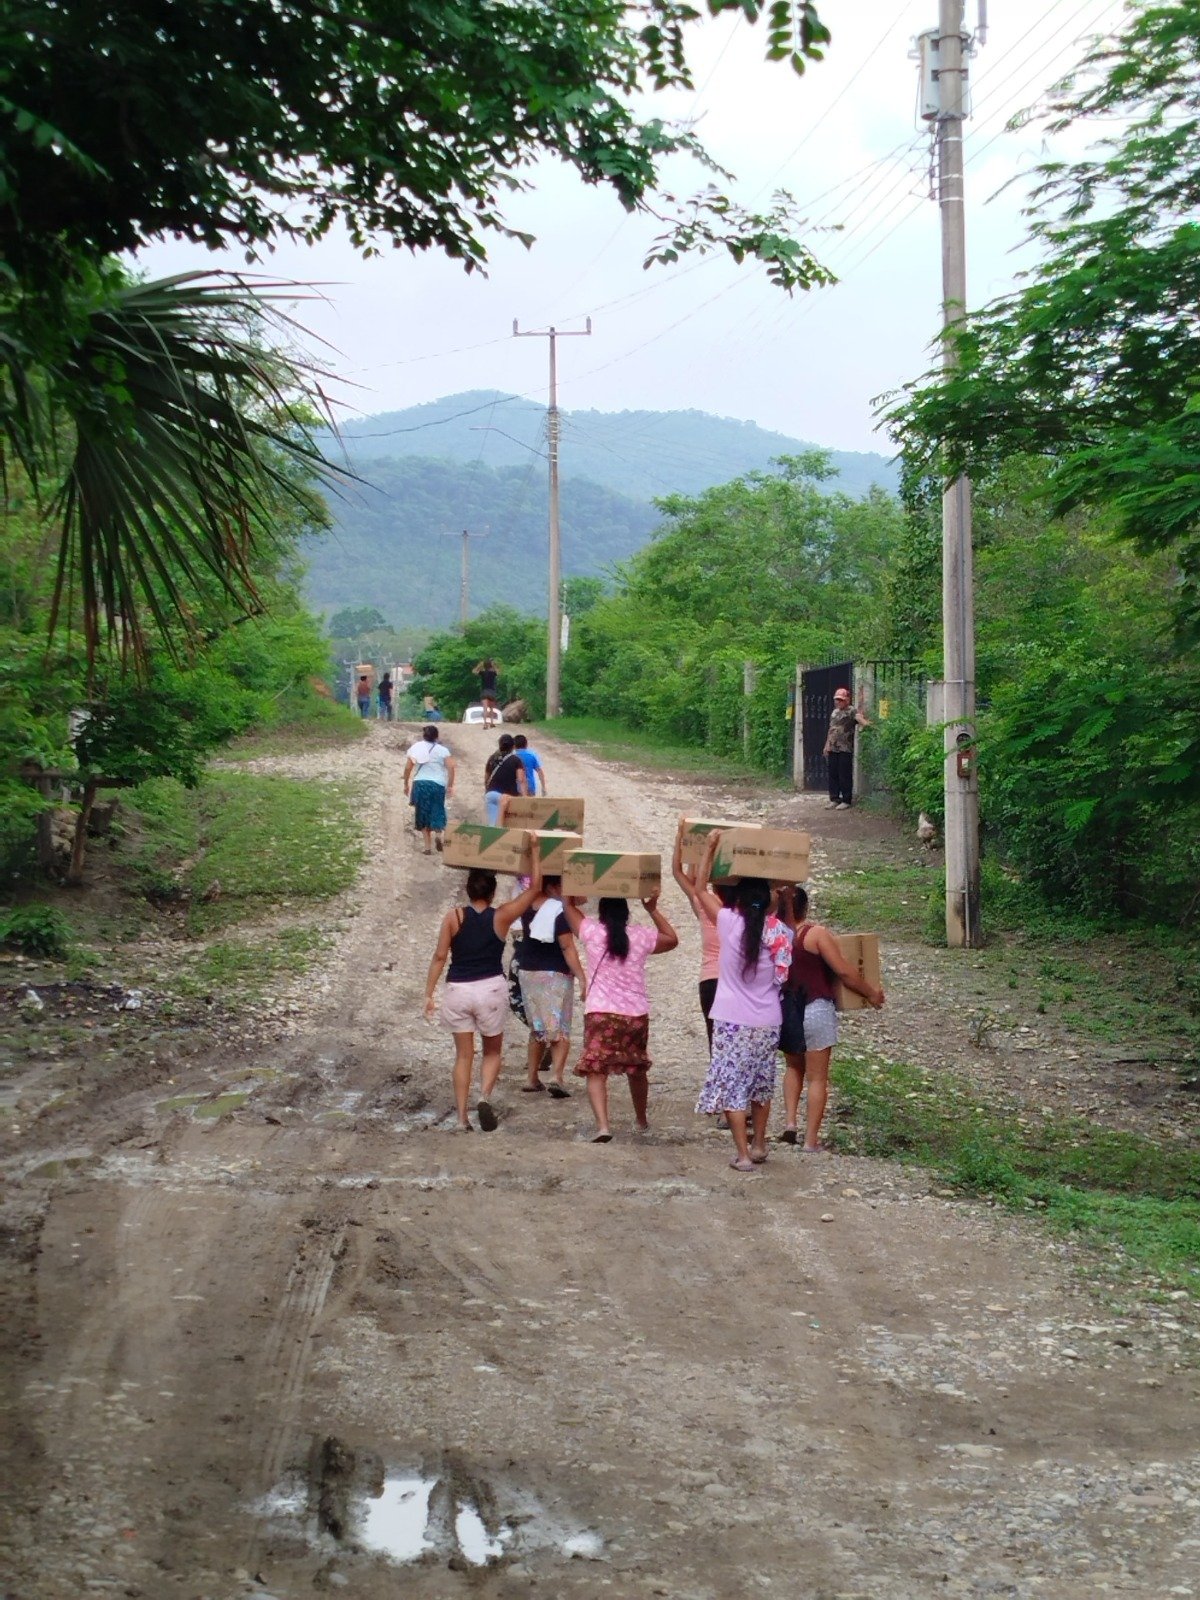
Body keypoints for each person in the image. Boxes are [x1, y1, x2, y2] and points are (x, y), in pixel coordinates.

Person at [692, 831, 792, 1173]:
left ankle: (743, 1155)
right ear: (768, 902)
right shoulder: (780, 933)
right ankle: (760, 1143)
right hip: (768, 1021)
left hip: (732, 1020)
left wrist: (708, 849)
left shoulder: (727, 922)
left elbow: (699, 890)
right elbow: (783, 975)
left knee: (733, 1085)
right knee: (761, 1083)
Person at [424, 850, 542, 1131]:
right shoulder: (501, 916)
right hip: (490, 990)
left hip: (458, 991)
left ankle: (462, 1118)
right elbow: (535, 887)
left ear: (467, 889)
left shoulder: (453, 917)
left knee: (464, 1056)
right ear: (493, 891)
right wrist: (535, 850)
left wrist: (429, 993)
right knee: (492, 1051)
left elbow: (440, 957)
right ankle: (484, 1096)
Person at [563, 893, 678, 1142]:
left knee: (596, 1069)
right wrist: (652, 909)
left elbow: (567, 907)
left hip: (600, 1013)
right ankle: (641, 1119)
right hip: (635, 1014)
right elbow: (672, 940)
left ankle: (604, 1127)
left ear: (601, 912)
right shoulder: (640, 936)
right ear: (627, 913)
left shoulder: (592, 932)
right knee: (636, 1069)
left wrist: (572, 893)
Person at [778, 885, 884, 1151]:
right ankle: (811, 1141)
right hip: (816, 1008)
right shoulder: (815, 935)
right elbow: (845, 972)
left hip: (787, 1010)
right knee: (817, 1078)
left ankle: (790, 1124)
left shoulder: (776, 936)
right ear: (805, 907)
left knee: (793, 1067)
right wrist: (871, 993)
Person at [516, 873, 587, 1098]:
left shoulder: (527, 906)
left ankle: (532, 1077)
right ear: (555, 887)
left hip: (528, 972)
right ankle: (556, 1076)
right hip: (555, 973)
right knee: (559, 1027)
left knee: (538, 1027)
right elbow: (567, 947)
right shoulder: (559, 912)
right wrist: (582, 976)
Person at [404, 725, 456, 854]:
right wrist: (450, 785)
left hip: (420, 783)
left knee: (422, 813)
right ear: (436, 737)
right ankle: (438, 835)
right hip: (437, 784)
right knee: (437, 809)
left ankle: (427, 848)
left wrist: (406, 784)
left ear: (424, 735)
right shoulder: (443, 750)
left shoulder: (416, 748)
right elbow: (451, 768)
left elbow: (408, 768)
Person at [823, 685, 870, 810]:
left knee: (844, 774)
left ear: (847, 700)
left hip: (845, 748)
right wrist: (827, 745)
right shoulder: (834, 712)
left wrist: (866, 724)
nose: (838, 702)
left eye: (840, 700)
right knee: (833, 774)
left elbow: (860, 719)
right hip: (833, 747)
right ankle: (834, 798)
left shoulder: (851, 711)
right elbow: (831, 729)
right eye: (836, 700)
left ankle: (846, 800)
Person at [484, 732, 527, 825]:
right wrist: (524, 798)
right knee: (507, 828)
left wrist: (487, 791)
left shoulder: (492, 758)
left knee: (493, 827)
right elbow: (521, 780)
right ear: (513, 746)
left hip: (491, 795)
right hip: (507, 797)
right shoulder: (516, 760)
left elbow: (486, 778)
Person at [472, 658, 501, 729]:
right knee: (491, 708)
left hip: (484, 692)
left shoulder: (482, 673)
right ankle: (491, 723)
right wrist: (494, 665)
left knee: (485, 709)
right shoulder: (493, 673)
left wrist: (479, 665)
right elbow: (499, 672)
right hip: (491, 692)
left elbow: (474, 671)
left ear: (484, 666)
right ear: (491, 666)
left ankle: (485, 724)